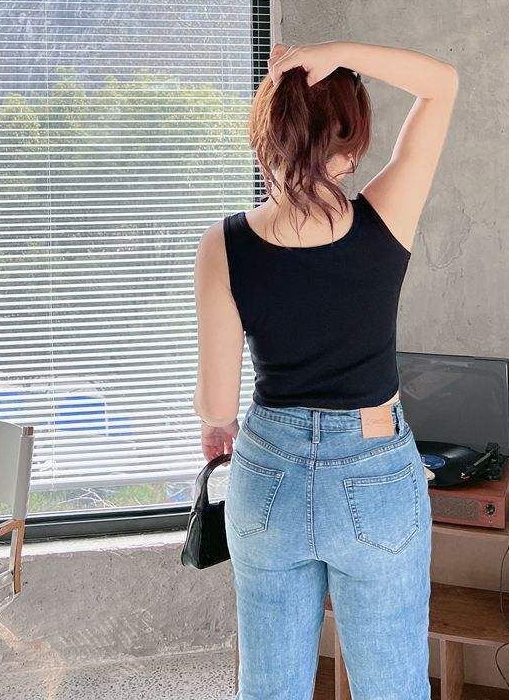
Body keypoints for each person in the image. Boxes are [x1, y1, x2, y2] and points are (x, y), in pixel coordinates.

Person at [193, 40, 459, 700]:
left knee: (271, 688)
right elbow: (442, 83)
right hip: (375, 469)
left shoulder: (223, 245)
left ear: (271, 136)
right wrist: (334, 52)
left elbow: (218, 407)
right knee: (392, 687)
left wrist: (218, 425)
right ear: (346, 145)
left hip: (267, 475)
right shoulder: (386, 217)